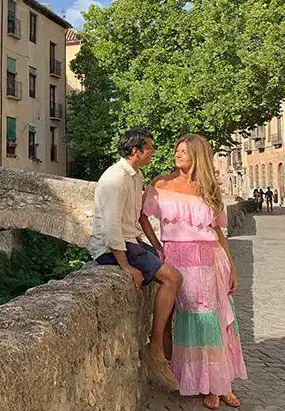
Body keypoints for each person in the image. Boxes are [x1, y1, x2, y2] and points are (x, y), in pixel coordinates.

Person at [142, 134, 247, 409]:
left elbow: (217, 231)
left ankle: (220, 384)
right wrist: (156, 245)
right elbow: (140, 215)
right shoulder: (162, 184)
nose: (177, 155)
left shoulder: (208, 188)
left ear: (197, 156)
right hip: (179, 258)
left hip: (211, 258)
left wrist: (231, 264)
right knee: (197, 320)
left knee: (218, 319)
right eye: (176, 150)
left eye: (184, 151)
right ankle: (208, 383)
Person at [90, 128, 183, 390]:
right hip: (113, 248)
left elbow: (136, 219)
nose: (153, 152)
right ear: (136, 151)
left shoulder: (135, 175)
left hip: (132, 241)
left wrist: (155, 246)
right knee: (173, 278)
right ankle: (156, 349)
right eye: (149, 148)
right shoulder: (115, 179)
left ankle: (165, 342)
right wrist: (126, 267)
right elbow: (110, 228)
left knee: (172, 277)